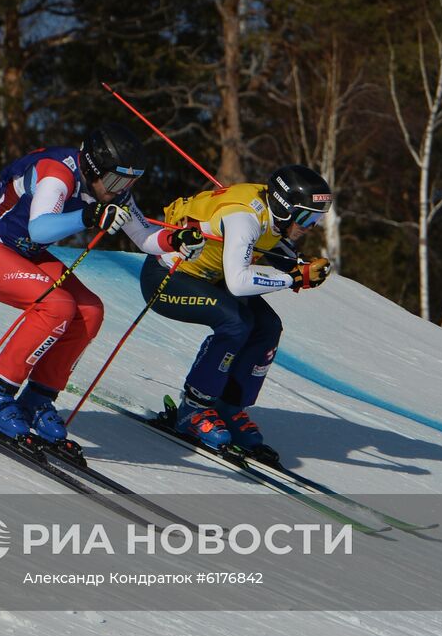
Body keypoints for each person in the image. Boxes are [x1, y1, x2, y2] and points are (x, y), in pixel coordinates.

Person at [0, 123, 195, 448]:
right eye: (115, 180)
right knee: (56, 306)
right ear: (92, 168)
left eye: (131, 181)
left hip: (27, 255)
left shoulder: (113, 190)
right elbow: (41, 229)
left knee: (89, 310)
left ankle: (37, 399)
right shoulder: (58, 173)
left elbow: (144, 237)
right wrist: (90, 215)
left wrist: (175, 239)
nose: (120, 189)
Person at [142, 164, 334, 463]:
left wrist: (298, 265)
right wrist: (293, 278)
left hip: (208, 278)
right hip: (167, 278)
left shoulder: (271, 216)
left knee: (268, 326)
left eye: (318, 219)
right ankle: (193, 408)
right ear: (285, 209)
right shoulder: (244, 218)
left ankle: (229, 407)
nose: (312, 226)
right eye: (308, 217)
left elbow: (271, 245)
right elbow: (239, 282)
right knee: (236, 322)